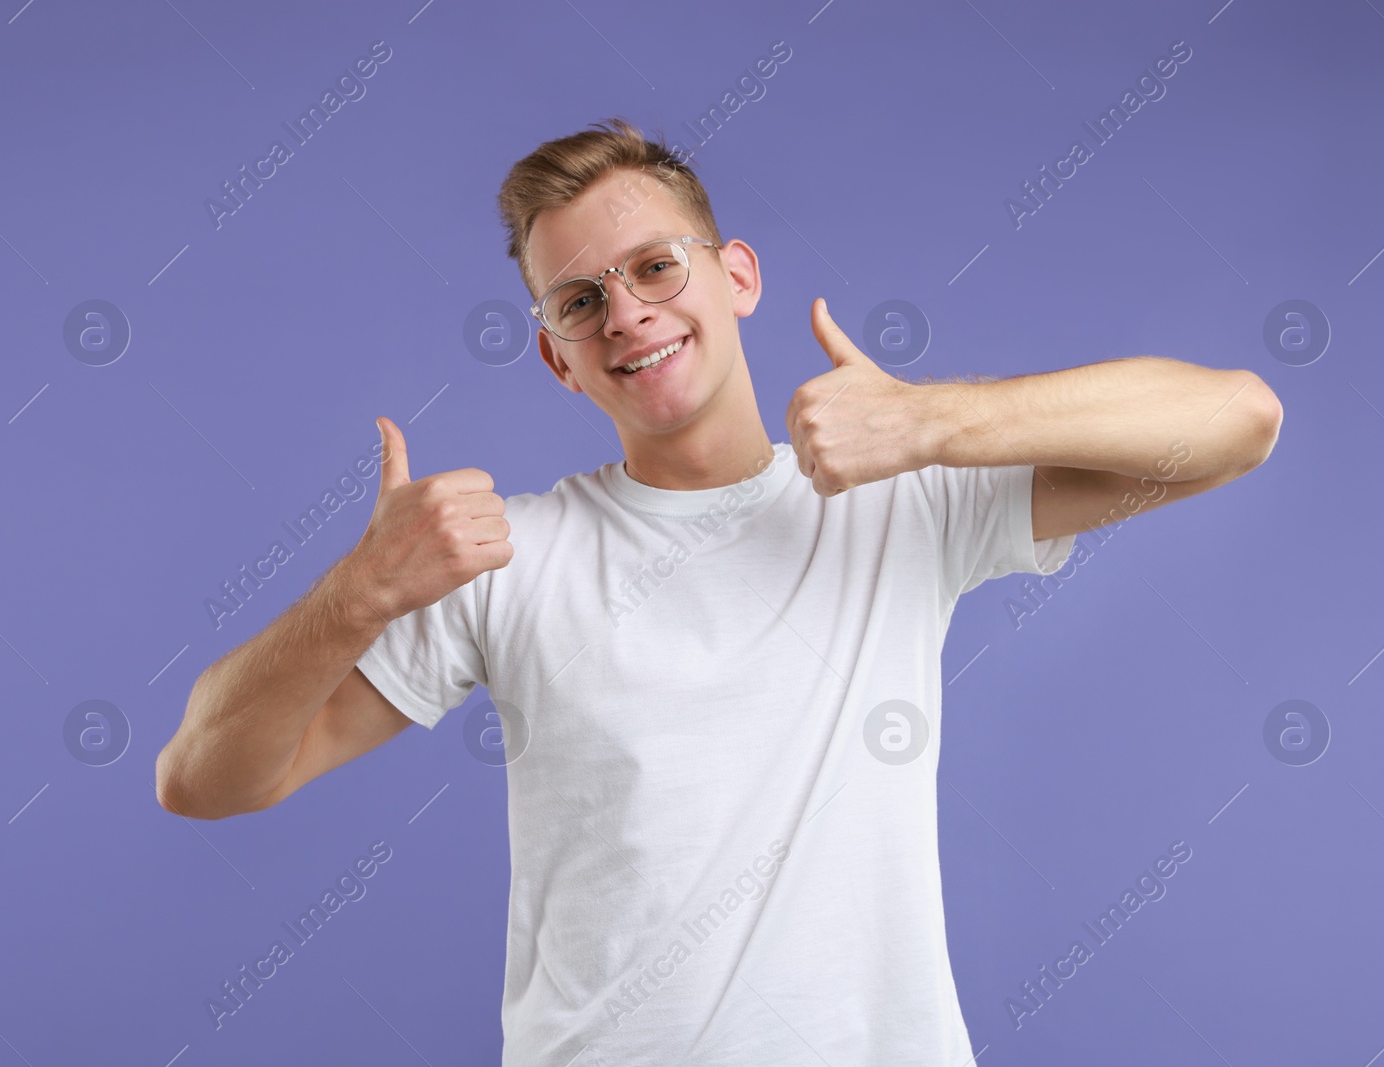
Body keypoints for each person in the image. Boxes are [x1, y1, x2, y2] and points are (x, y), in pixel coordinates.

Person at [156, 117, 1282, 1064]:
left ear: (735, 274)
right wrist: (356, 593)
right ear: (557, 355)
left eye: (654, 266)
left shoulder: (903, 500)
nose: (628, 316)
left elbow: (1237, 421)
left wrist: (935, 421)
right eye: (578, 301)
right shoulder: (510, 562)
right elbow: (203, 779)